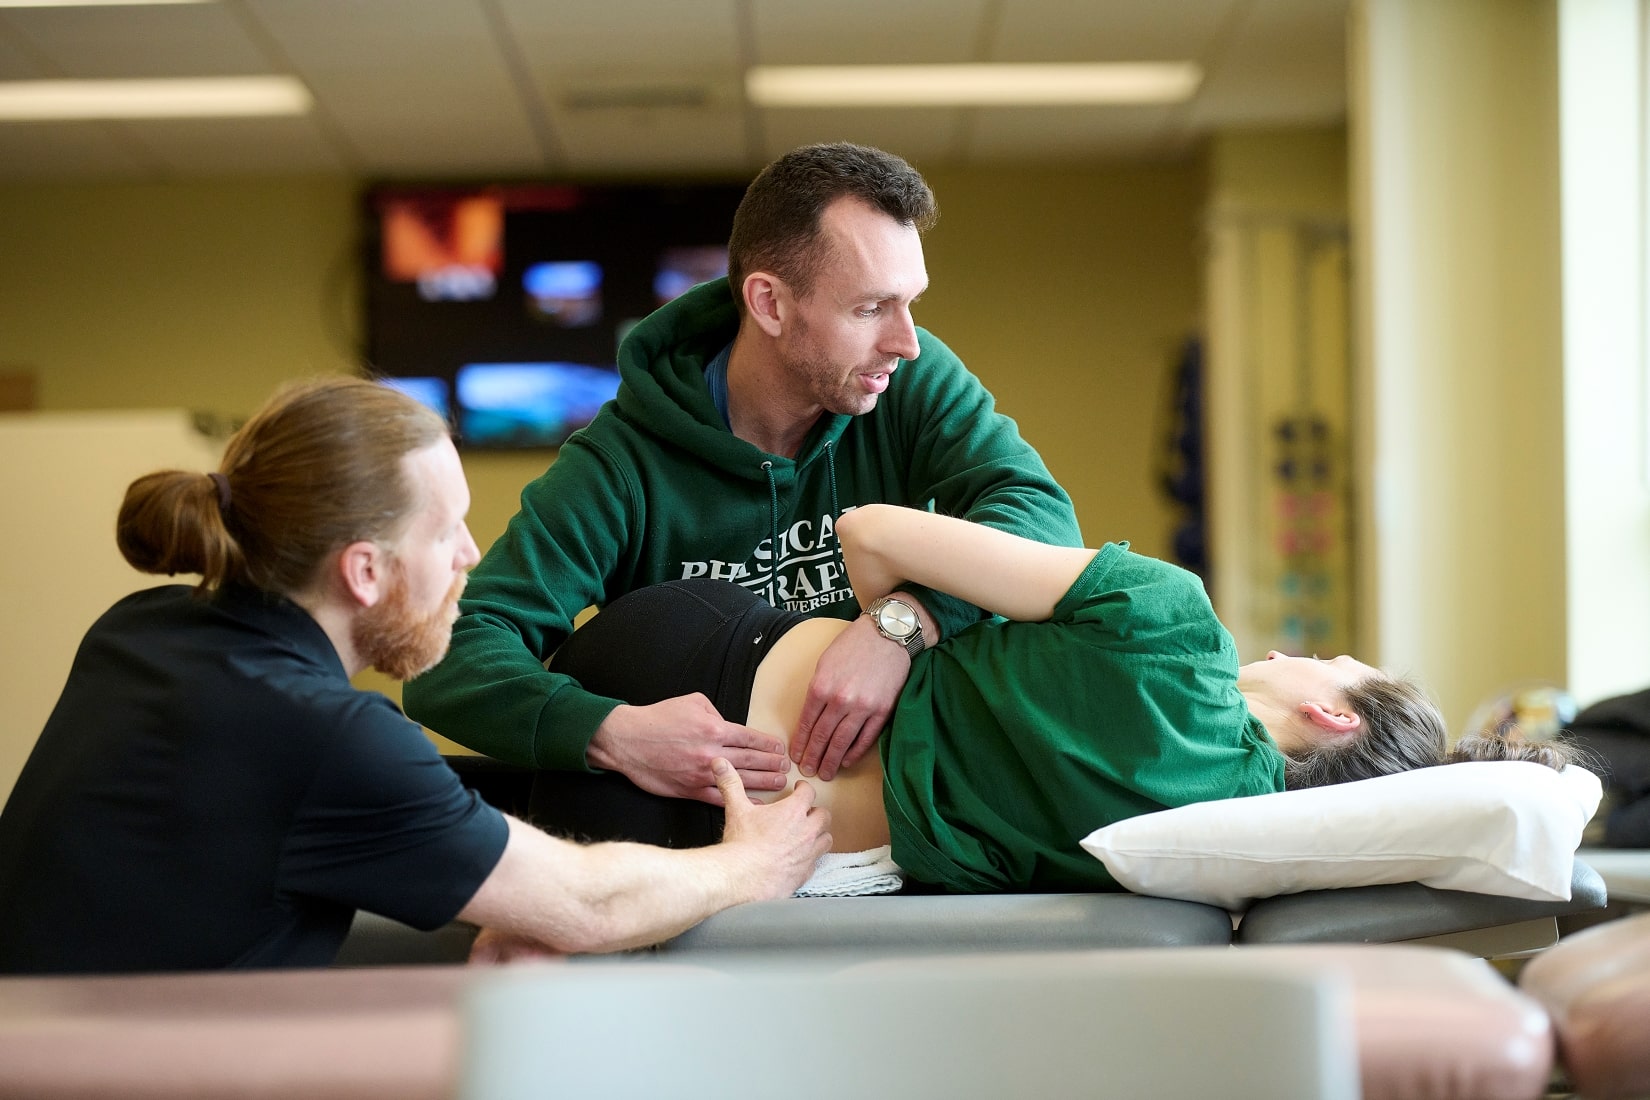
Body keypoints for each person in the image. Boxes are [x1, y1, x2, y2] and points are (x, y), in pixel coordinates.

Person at [0, 378, 830, 974]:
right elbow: (588, 905)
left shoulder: (141, 631)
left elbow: (311, 814)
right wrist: (752, 866)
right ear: (364, 571)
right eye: (448, 533)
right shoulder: (329, 736)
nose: (471, 556)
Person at [403, 142, 1082, 847]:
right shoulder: (619, 465)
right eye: (872, 307)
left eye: (910, 303)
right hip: (710, 837)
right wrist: (613, 732)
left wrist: (902, 624)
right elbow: (449, 659)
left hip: (896, 810)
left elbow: (1039, 516)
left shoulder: (907, 383)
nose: (905, 341)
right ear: (770, 303)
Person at [546, 504, 1575, 893]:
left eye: (1326, 659)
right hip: (708, 838)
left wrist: (905, 627)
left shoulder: (1174, 622)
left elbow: (870, 533)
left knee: (436, 766)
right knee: (428, 827)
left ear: (1335, 716)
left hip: (704, 669)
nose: (1284, 649)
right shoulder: (1215, 855)